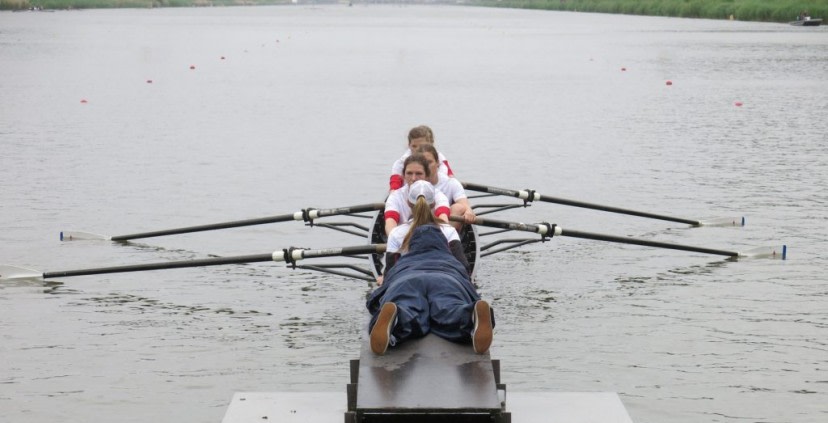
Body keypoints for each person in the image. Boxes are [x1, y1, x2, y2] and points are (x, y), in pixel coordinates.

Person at [366, 185, 494, 356]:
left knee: (409, 309)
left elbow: (389, 273)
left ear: (408, 204)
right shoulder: (448, 230)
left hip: (406, 279)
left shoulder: (396, 233)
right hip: (447, 278)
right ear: (435, 205)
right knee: (448, 309)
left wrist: (385, 283)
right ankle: (470, 314)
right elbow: (464, 267)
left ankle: (397, 317)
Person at [384, 154, 450, 237]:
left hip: (432, 239)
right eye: (409, 173)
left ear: (427, 176)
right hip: (403, 240)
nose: (413, 178)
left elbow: (443, 222)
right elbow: (390, 224)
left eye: (419, 173)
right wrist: (394, 240)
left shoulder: (439, 196)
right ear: (403, 175)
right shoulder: (395, 196)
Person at [416, 144, 475, 230]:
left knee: (459, 208)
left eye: (429, 162)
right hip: (418, 226)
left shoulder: (451, 183)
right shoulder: (413, 185)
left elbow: (465, 205)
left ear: (437, 163)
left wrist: (469, 213)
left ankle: (443, 237)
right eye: (422, 162)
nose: (426, 166)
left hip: (444, 225)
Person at [388, 125, 454, 191]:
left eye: (421, 146)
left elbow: (451, 177)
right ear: (409, 145)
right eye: (414, 146)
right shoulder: (401, 162)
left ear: (431, 144)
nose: (417, 150)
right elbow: (394, 185)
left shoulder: (440, 158)